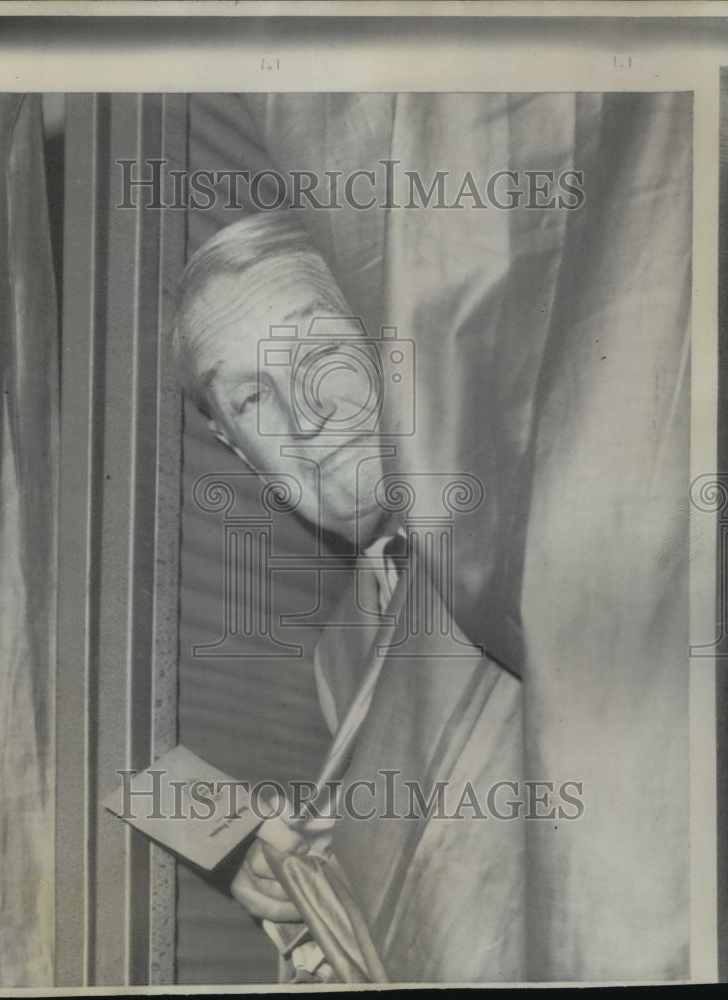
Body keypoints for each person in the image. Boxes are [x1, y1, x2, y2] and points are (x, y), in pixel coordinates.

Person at [173, 212, 525, 984]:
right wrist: (260, 859)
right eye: (252, 400)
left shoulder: (524, 513)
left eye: (322, 353)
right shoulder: (338, 644)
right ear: (239, 452)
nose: (305, 418)